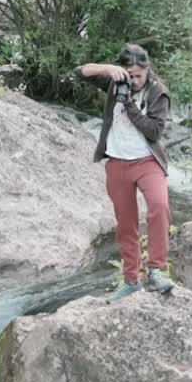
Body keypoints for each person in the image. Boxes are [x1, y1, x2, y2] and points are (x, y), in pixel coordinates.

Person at [73, 44, 175, 303]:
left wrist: (128, 103)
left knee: (159, 207)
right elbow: (79, 72)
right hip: (117, 163)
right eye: (130, 75)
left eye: (139, 76)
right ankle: (131, 281)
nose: (134, 80)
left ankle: (156, 271)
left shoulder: (157, 92)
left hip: (147, 161)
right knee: (126, 223)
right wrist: (107, 70)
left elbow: (153, 131)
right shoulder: (114, 83)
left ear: (147, 70)